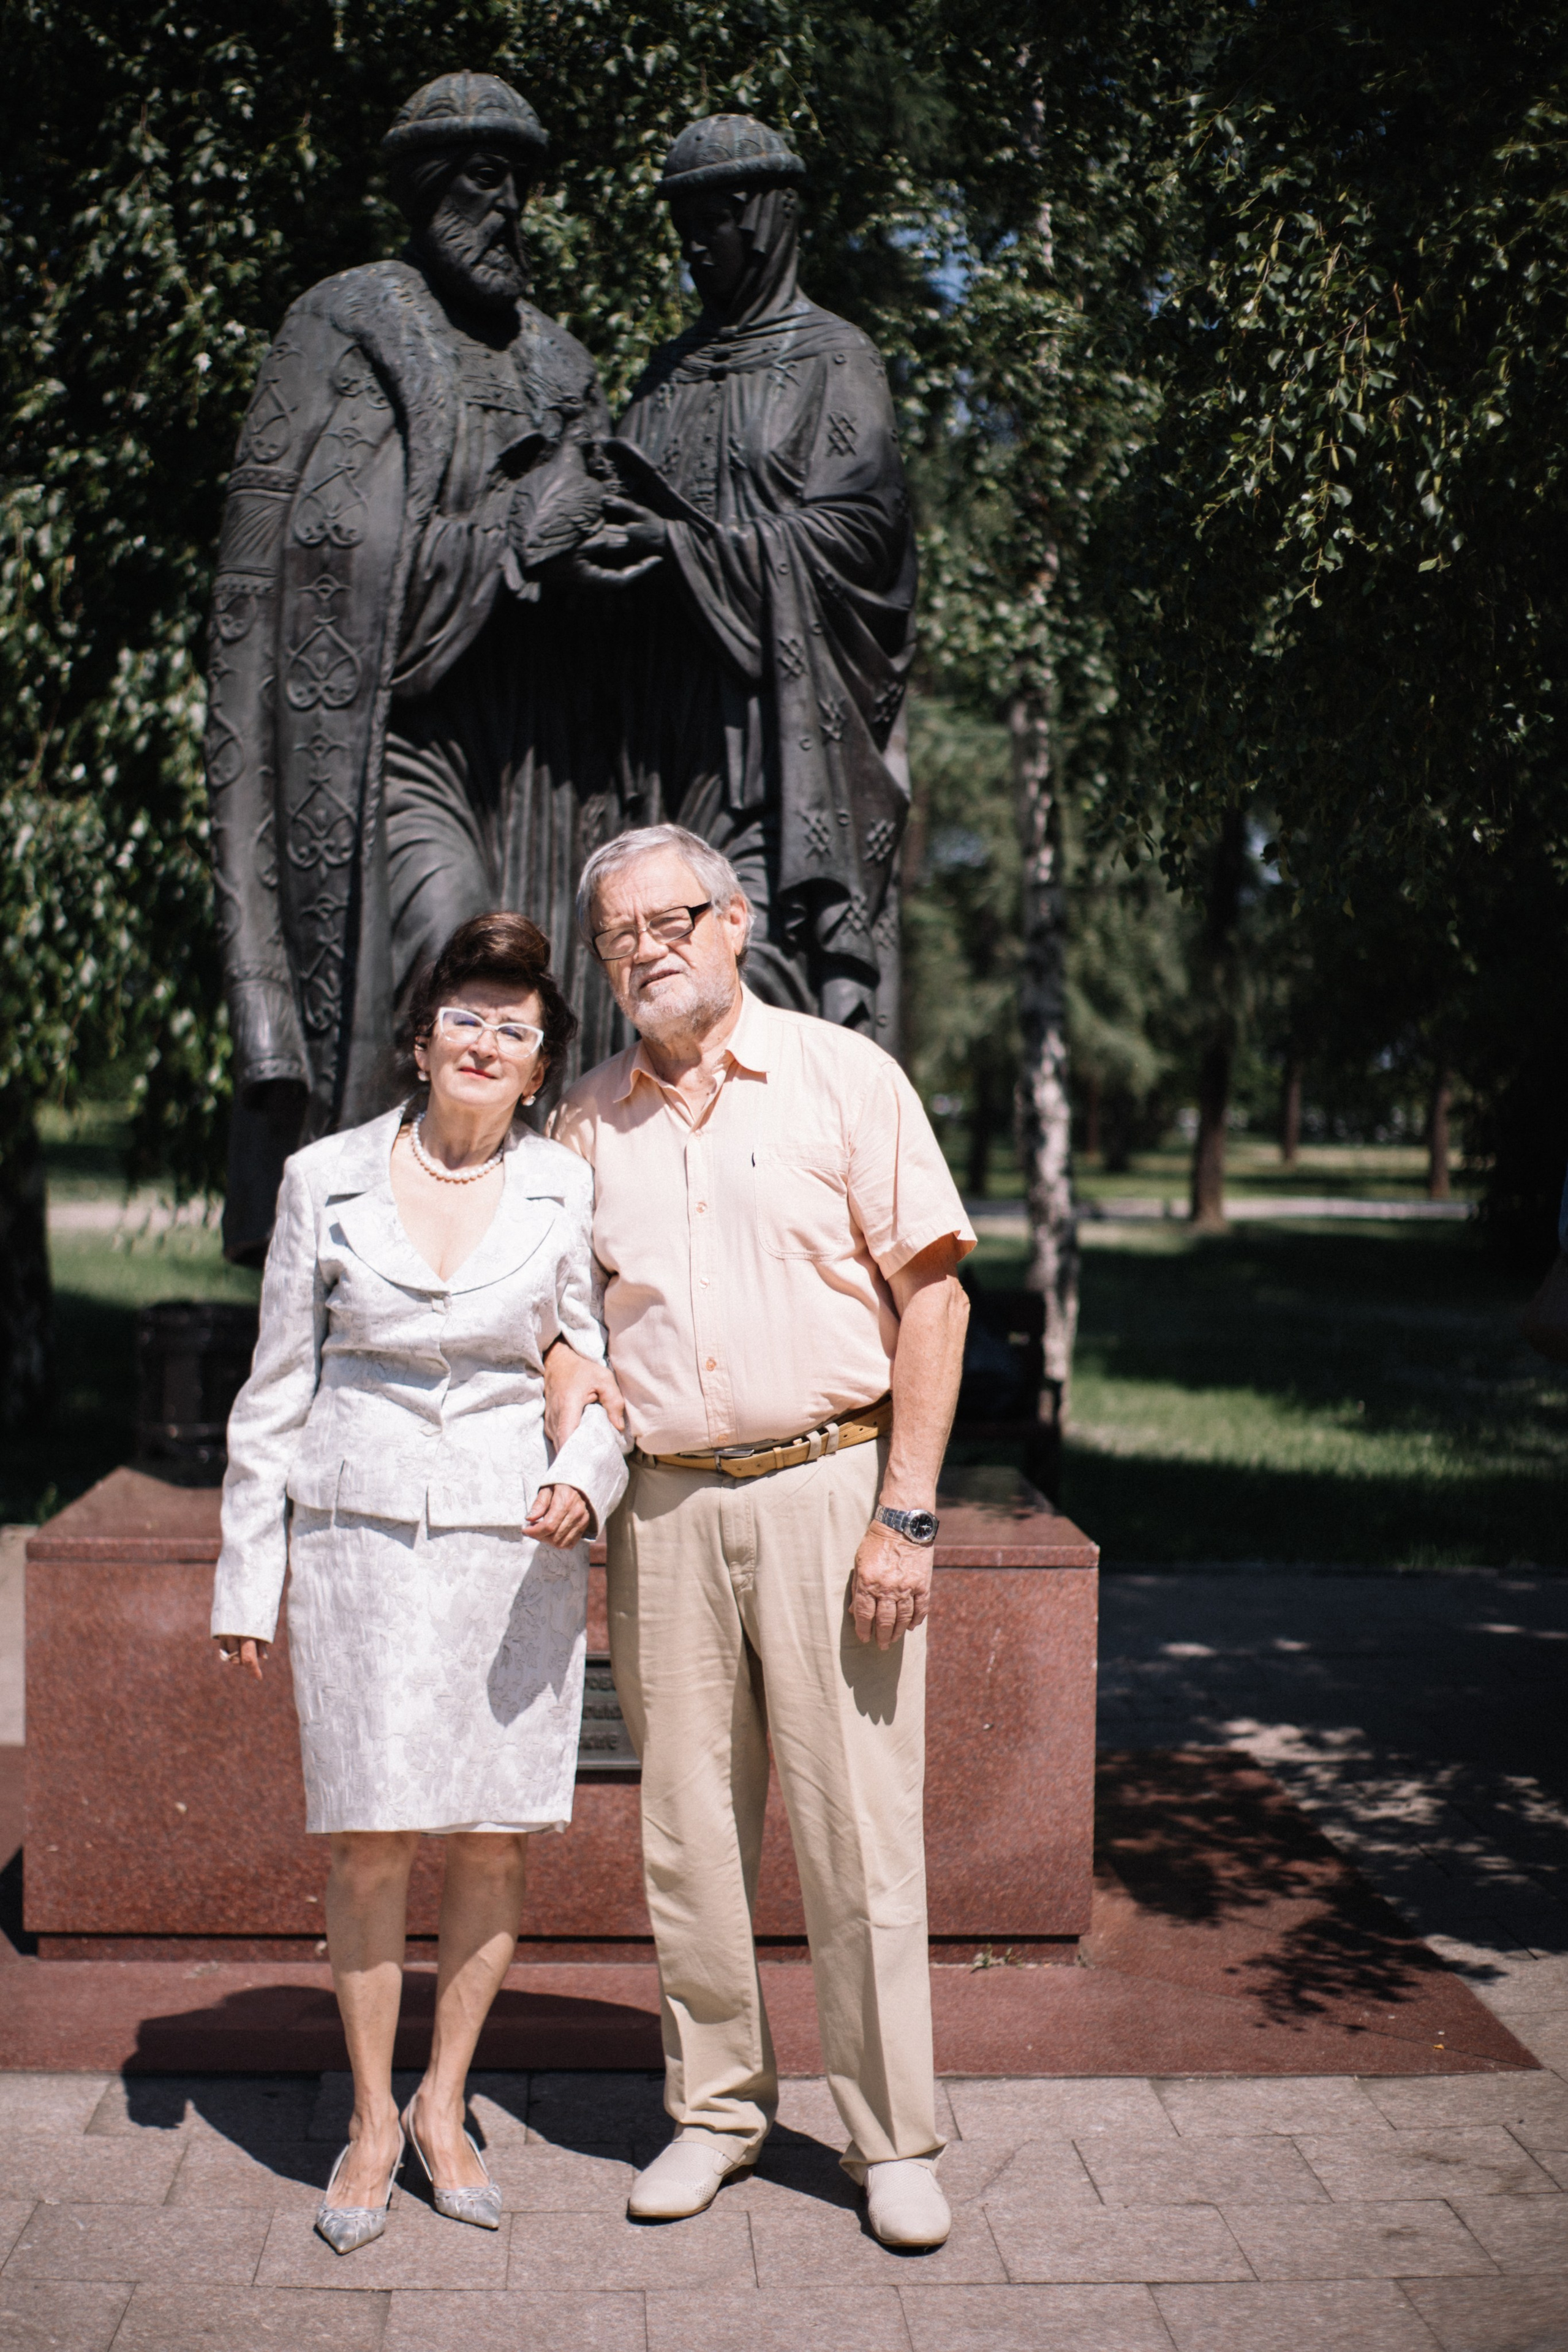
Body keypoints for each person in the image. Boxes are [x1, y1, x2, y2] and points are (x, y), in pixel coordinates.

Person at [549, 822, 973, 2249]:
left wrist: (905, 1514)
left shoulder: (841, 1079)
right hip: (661, 1508)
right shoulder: (583, 1125)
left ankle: (889, 2141)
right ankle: (717, 2111)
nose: (646, 948)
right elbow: (560, 1326)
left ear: (733, 922)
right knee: (685, 1835)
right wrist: (576, 1405)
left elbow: (934, 1298)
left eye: (669, 918)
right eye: (618, 936)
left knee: (856, 1835)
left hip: (830, 1491)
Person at [211, 913, 627, 2255]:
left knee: (496, 1830)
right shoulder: (321, 1177)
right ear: (421, 1035)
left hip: (514, 1545)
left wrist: (587, 1473)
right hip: (356, 1542)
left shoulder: (563, 1185)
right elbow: (273, 1390)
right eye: (467, 1015)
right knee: (371, 1833)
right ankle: (374, 2119)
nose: (487, 1040)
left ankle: (448, 2103)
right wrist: (243, 1579)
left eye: (515, 1026)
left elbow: (582, 1354)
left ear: (537, 1062)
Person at [209, 71, 630, 1267]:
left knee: (548, 1006)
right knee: (465, 962)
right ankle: (397, 1268)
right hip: (389, 745)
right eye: (485, 184)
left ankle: (511, 1286)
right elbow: (311, 574)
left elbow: (594, 530)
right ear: (430, 191)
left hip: (538, 757)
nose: (509, 214)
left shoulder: (556, 359)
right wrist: (509, 537)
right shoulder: (344, 331)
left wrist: (600, 549)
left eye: (521, 187)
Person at [578, 115, 917, 1041]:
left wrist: (686, 548)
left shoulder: (834, 361)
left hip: (777, 744)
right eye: (681, 223)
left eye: (710, 221)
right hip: (666, 740)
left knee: (748, 968)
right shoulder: (664, 380)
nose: (692, 245)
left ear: (763, 220)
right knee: (653, 980)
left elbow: (860, 537)